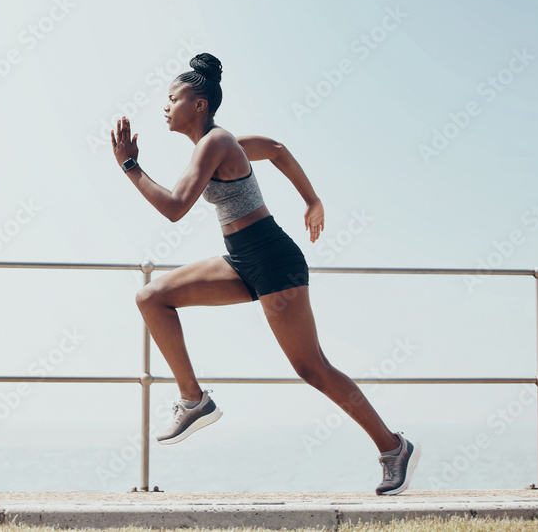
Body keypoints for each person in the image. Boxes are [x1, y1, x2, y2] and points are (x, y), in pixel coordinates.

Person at [109, 52, 420, 495]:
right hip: (240, 259)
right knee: (151, 297)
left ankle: (393, 448)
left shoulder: (215, 143)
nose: (165, 106)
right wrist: (311, 200)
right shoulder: (217, 145)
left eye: (173, 98)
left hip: (273, 259)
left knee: (312, 367)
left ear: (198, 104)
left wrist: (129, 165)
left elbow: (176, 208)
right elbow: (276, 150)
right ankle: (193, 400)